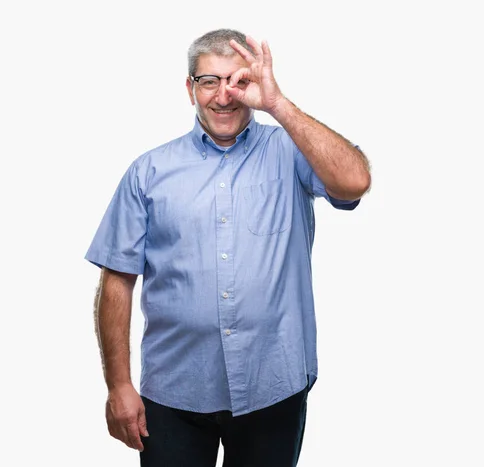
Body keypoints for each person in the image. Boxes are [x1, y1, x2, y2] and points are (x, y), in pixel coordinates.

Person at [85, 28, 371, 467]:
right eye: (209, 81)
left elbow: (355, 181)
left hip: (272, 385)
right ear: (190, 88)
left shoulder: (290, 150)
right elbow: (117, 281)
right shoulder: (148, 172)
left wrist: (278, 103)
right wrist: (119, 385)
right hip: (173, 392)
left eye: (238, 81)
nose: (224, 95)